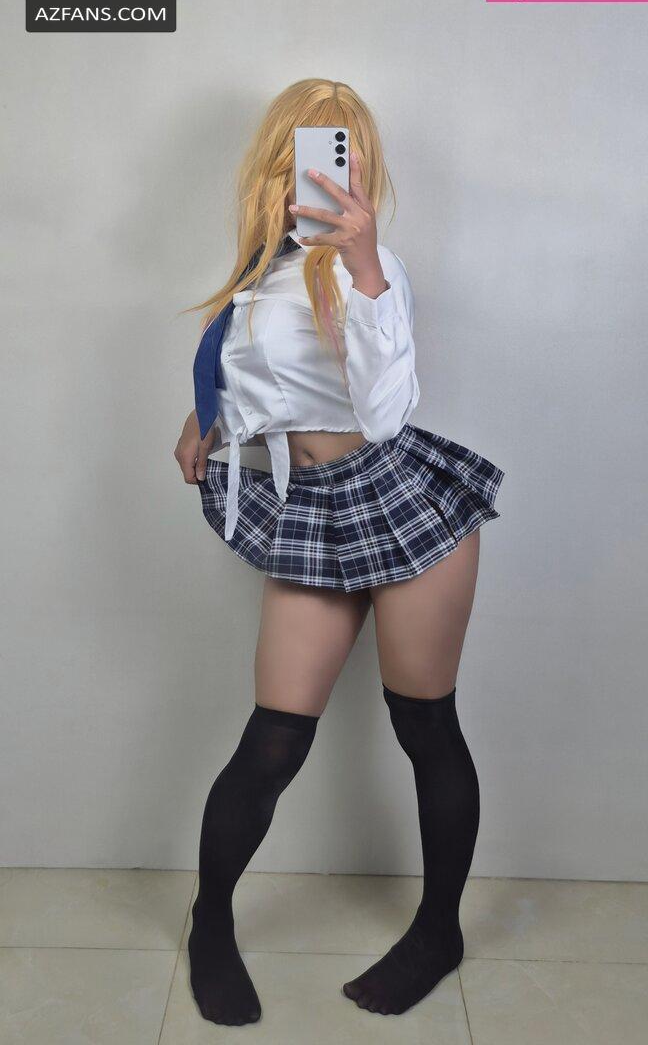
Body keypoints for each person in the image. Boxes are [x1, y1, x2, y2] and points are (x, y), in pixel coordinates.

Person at [174, 78, 504, 1026]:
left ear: (359, 171)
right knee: (274, 736)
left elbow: (386, 408)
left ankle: (438, 931)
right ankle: (209, 925)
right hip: (314, 509)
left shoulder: (375, 269)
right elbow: (260, 383)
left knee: (425, 725)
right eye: (297, 162)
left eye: (333, 160)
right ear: (273, 172)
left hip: (400, 499)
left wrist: (362, 267)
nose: (311, 181)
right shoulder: (254, 279)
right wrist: (205, 418)